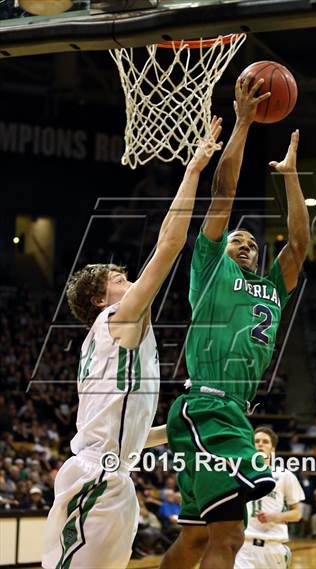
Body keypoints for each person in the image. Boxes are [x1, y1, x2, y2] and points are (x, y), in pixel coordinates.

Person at [41, 119, 223, 569]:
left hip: (114, 474)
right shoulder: (116, 318)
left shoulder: (118, 334)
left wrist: (183, 424)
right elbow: (169, 243)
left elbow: (131, 434)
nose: (131, 281)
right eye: (120, 280)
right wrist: (194, 169)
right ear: (101, 300)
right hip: (94, 478)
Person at [160, 75, 309, 569]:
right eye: (237, 241)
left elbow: (300, 245)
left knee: (196, 541)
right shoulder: (209, 268)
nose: (245, 244)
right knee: (230, 537)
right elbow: (222, 193)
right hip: (209, 407)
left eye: (251, 243)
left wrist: (289, 176)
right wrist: (243, 123)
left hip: (231, 412)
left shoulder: (271, 287)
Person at [234, 427, 304, 569]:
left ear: (273, 449)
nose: (260, 444)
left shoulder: (285, 475)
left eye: (265, 442)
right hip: (244, 546)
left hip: (274, 546)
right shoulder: (239, 473)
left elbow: (297, 514)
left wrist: (275, 516)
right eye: (256, 441)